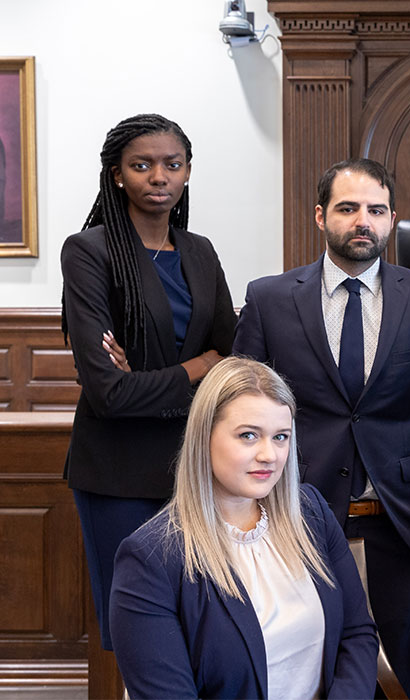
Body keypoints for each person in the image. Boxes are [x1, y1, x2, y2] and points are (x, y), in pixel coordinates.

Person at [233, 157, 410, 697]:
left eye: (376, 210)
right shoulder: (270, 299)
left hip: (403, 524)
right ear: (320, 216)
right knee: (304, 667)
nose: (362, 220)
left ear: (392, 219)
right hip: (295, 519)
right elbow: (242, 415)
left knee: (395, 671)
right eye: (347, 208)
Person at [60, 113, 235, 651]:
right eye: (142, 165)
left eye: (172, 164)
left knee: (204, 626)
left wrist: (163, 375)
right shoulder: (90, 251)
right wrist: (195, 368)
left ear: (186, 173)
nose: (158, 177)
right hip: (119, 475)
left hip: (196, 470)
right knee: (138, 632)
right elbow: (109, 394)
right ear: (117, 175)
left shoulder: (199, 251)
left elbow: (232, 358)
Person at [109, 357, 378, 698]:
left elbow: (357, 635)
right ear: (204, 437)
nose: (270, 454)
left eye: (281, 437)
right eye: (248, 436)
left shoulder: (311, 513)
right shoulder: (150, 560)